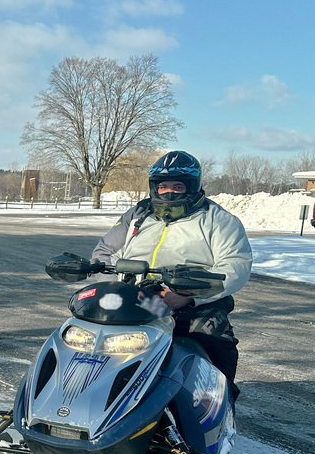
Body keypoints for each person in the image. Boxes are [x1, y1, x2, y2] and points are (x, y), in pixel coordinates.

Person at [92, 150, 252, 398]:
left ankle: (217, 401)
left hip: (193, 301)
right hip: (137, 296)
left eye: (178, 186)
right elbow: (104, 252)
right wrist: (112, 286)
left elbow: (235, 264)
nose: (169, 192)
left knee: (212, 339)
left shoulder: (218, 219)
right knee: (90, 334)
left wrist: (188, 295)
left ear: (193, 186)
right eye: (163, 186)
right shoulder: (138, 214)